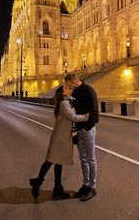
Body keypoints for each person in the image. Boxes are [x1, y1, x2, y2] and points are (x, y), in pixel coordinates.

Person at [29, 84, 89, 199]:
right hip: (60, 138)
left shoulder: (67, 101)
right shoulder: (64, 103)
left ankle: (57, 187)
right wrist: (87, 116)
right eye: (67, 88)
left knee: (57, 162)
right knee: (51, 161)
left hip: (63, 136)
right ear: (63, 92)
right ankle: (38, 182)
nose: (70, 89)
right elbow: (73, 117)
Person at [65, 72, 99, 202]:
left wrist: (87, 127)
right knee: (82, 158)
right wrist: (75, 131)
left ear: (74, 81)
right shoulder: (75, 93)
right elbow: (74, 112)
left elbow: (95, 112)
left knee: (91, 159)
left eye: (70, 85)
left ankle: (92, 187)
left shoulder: (89, 90)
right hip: (79, 129)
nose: (69, 87)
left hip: (87, 130)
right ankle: (85, 184)